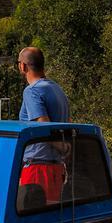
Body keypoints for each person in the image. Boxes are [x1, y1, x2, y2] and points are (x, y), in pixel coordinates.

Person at [16, 46, 71, 205]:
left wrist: (61, 146)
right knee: (51, 214)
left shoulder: (32, 91)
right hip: (57, 168)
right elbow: (67, 122)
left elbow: (43, 125)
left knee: (32, 213)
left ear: (23, 66)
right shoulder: (57, 89)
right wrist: (65, 147)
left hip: (38, 168)